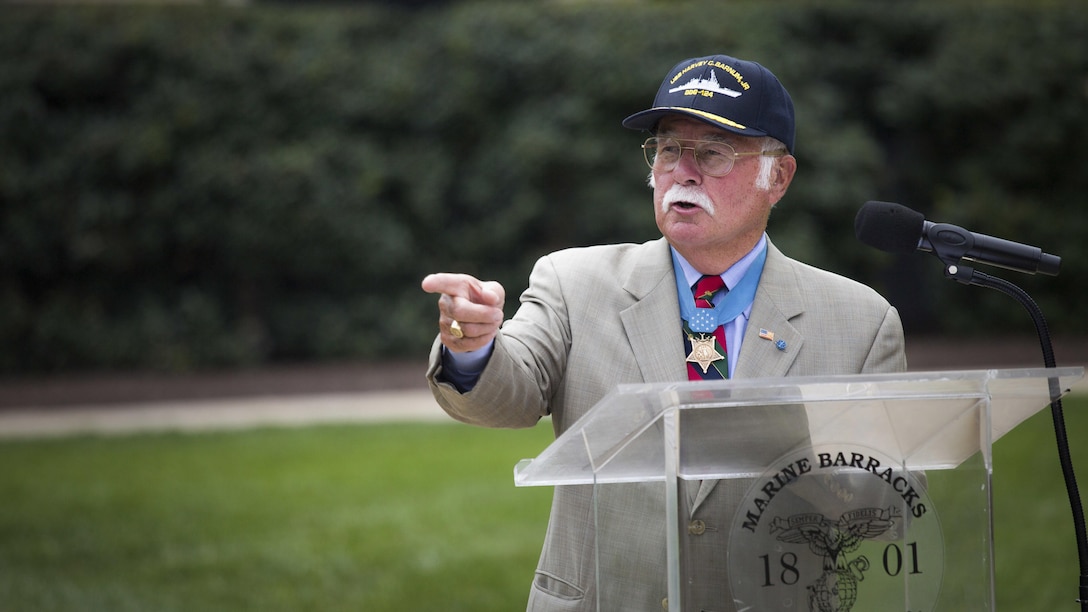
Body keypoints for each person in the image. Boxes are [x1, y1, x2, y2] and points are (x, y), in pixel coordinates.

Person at [421, 54, 906, 611]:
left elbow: (881, 503)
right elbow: (509, 395)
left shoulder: (863, 321)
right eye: (670, 149)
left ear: (780, 177)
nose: (684, 171)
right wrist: (475, 346)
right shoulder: (574, 283)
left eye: (713, 152)